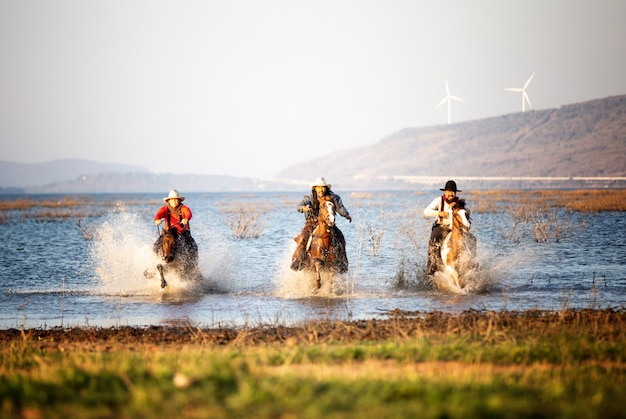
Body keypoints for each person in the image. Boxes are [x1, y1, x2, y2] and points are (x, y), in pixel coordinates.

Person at [291, 177, 352, 272]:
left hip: (327, 223)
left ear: (326, 188)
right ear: (315, 188)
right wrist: (303, 208)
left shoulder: (333, 197)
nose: (321, 190)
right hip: (312, 222)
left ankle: (342, 262)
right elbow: (298, 207)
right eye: (318, 187)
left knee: (340, 237)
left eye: (323, 187)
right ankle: (298, 260)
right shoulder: (309, 197)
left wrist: (346, 215)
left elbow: (340, 207)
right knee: (303, 237)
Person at [423, 180, 463, 275]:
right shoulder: (439, 200)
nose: (451, 193)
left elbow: (467, 211)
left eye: (453, 191)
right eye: (449, 191)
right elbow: (426, 211)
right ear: (445, 192)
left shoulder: (458, 202)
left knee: (472, 238)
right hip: (441, 227)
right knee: (433, 244)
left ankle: (471, 263)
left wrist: (459, 210)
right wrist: (438, 213)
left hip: (455, 229)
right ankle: (431, 268)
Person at [153, 189, 198, 260]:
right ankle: (155, 262)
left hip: (183, 233)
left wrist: (186, 219)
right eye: (172, 199)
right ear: (169, 201)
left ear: (179, 200)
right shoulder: (164, 209)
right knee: (155, 246)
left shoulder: (184, 208)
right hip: (168, 233)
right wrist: (157, 220)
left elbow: (188, 214)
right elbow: (158, 215)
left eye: (176, 199)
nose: (174, 201)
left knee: (193, 247)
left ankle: (192, 266)